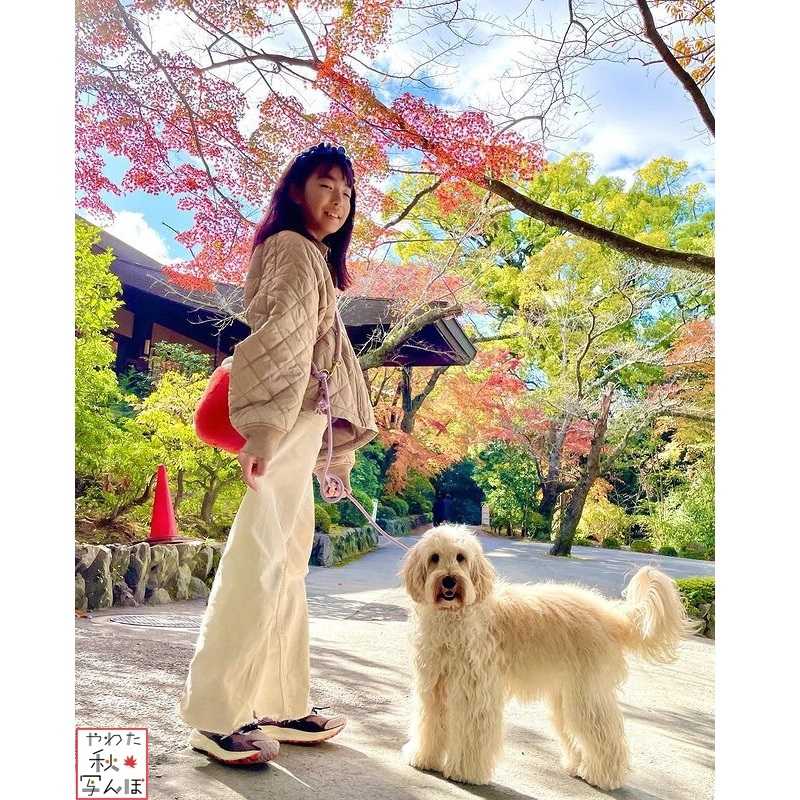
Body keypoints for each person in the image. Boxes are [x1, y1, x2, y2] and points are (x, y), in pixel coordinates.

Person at [179, 143, 378, 766]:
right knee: (260, 563)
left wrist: (334, 455)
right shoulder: (292, 249)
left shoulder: (311, 258)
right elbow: (281, 343)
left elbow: (322, 361)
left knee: (286, 566)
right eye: (327, 184)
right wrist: (265, 433)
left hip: (301, 425)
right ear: (296, 191)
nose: (339, 198)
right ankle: (214, 716)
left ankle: (283, 703)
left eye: (347, 191)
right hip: (286, 422)